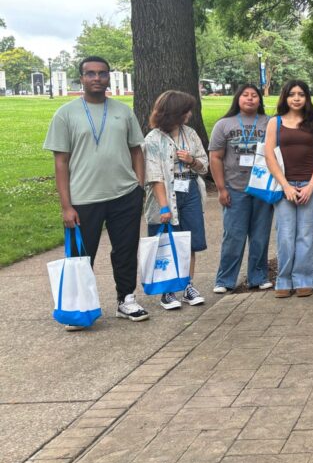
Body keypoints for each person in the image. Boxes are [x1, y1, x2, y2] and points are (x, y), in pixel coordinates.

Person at [43, 56, 149, 326]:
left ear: (108, 78)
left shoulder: (122, 111)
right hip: (83, 199)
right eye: (90, 74)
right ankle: (80, 309)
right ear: (81, 78)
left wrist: (138, 185)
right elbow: (61, 162)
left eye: (102, 74)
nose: (97, 79)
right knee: (81, 255)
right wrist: (66, 206)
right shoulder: (65, 114)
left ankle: (126, 299)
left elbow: (137, 150)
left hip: (124, 195)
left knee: (125, 250)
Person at [143, 90, 209, 310]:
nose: (189, 114)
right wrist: (164, 206)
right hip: (164, 194)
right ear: (173, 112)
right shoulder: (152, 139)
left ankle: (188, 285)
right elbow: (154, 176)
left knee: (188, 241)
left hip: (189, 189)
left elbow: (204, 164)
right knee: (167, 242)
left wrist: (191, 161)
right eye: (185, 110)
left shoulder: (189, 133)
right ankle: (168, 291)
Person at [265, 80, 313, 297]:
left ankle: (303, 279)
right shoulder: (275, 123)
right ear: (285, 97)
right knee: (285, 234)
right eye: (292, 94)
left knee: (305, 235)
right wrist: (285, 186)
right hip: (284, 187)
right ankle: (283, 281)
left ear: (307, 98)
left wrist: (311, 186)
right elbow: (269, 156)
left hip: (310, 186)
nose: (296, 98)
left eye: (301, 94)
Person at [208, 84, 274, 293]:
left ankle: (258, 276)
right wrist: (221, 189)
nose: (250, 99)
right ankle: (225, 280)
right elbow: (215, 157)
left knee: (260, 235)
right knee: (234, 236)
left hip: (262, 188)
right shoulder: (224, 124)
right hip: (235, 188)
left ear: (259, 100)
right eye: (245, 95)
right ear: (237, 98)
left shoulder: (269, 123)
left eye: (254, 95)